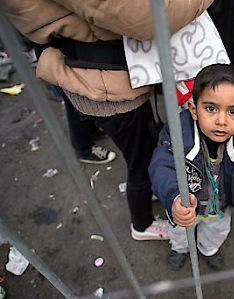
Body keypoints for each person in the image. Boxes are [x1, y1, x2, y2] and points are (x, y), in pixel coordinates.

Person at [3, 0, 214, 241]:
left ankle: (150, 190)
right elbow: (147, 15)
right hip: (106, 83)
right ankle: (142, 224)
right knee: (142, 161)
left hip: (99, 74)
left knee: (142, 151)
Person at [149, 64, 234, 270]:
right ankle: (180, 249)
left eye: (232, 111)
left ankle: (208, 249)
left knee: (216, 231)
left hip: (220, 206)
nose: (221, 120)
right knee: (179, 231)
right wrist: (173, 198)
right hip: (186, 205)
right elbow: (161, 166)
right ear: (193, 109)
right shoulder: (178, 132)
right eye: (210, 108)